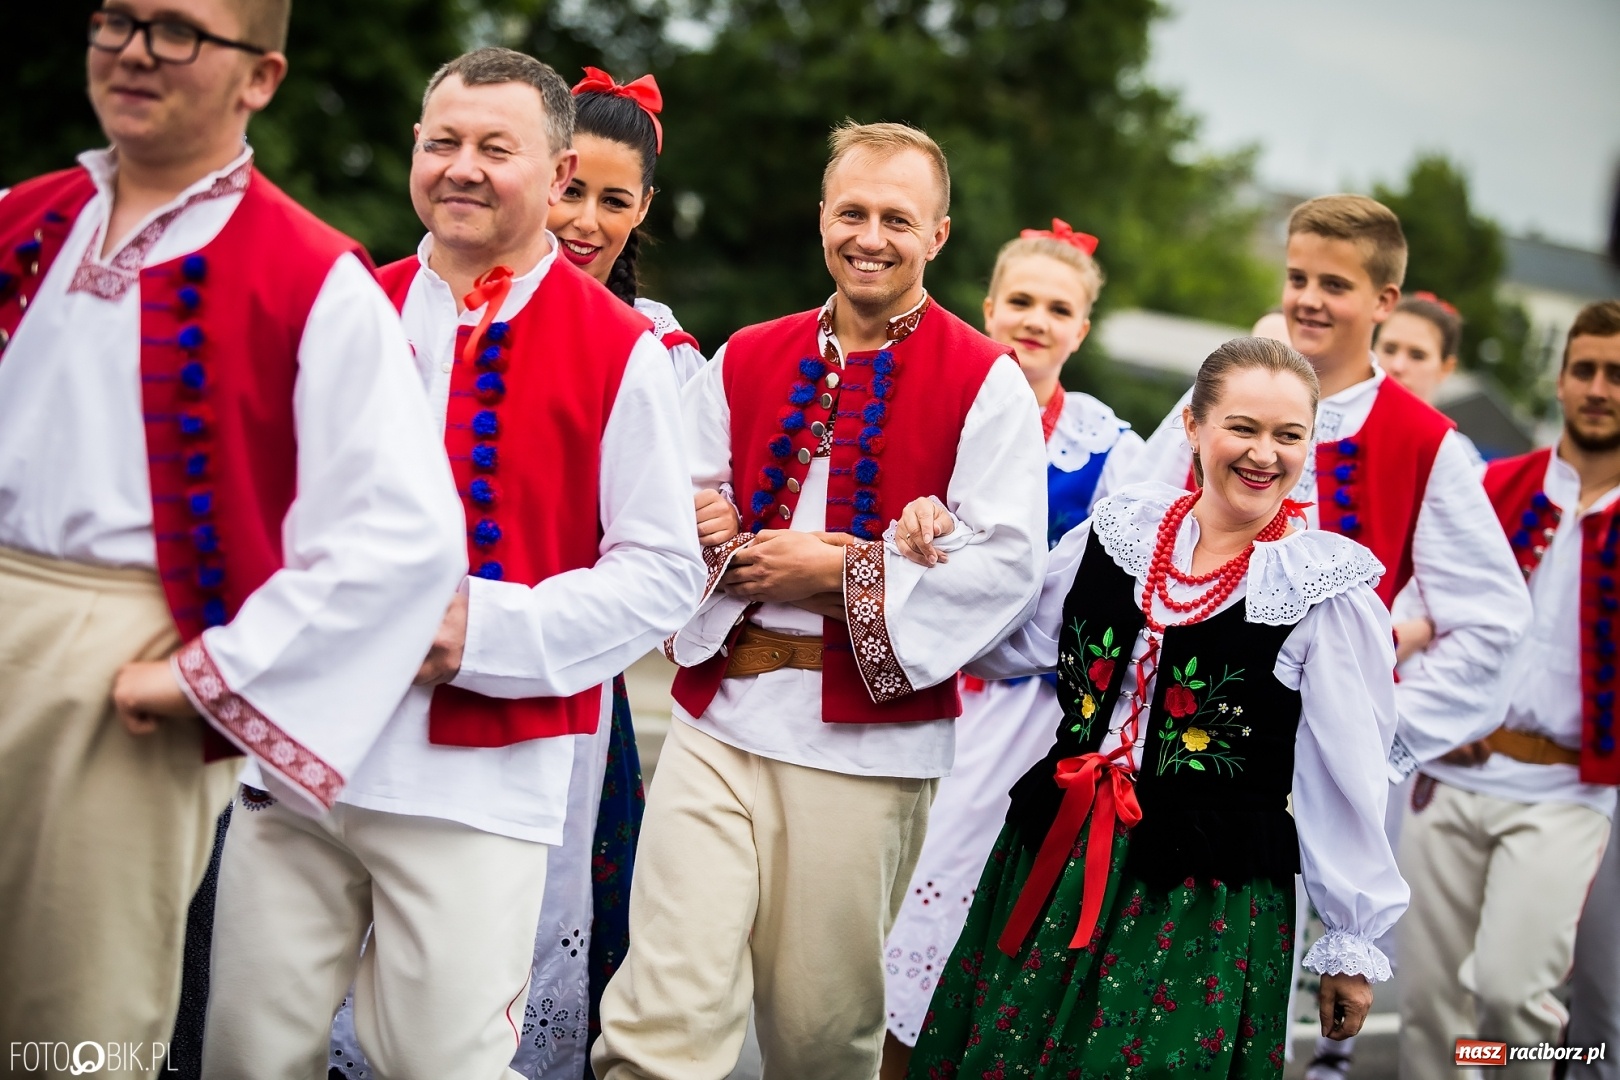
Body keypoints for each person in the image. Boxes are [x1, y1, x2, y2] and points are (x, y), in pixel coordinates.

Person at [208, 47, 704, 1080]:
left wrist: (473, 629)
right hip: (298, 763)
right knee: (249, 1051)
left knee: (439, 1060)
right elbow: (251, 504)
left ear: (559, 172)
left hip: (478, 776)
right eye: (443, 142)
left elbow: (660, 570)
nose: (462, 167)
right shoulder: (342, 309)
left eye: (496, 147)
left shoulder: (624, 352)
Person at [0, 0, 467, 1070]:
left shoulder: (313, 275)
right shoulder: (22, 219)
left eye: (176, 31)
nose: (131, 50)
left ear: (259, 78)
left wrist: (214, 671)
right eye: (115, 20)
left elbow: (406, 533)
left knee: (72, 1016)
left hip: (116, 653)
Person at [590, 121, 1049, 1080]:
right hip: (721, 722)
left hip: (866, 750)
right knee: (661, 1007)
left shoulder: (985, 382)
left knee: (818, 1030)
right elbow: (668, 499)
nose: (870, 236)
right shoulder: (749, 355)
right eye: (852, 212)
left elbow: (1005, 569)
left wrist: (836, 573)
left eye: (897, 218)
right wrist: (705, 523)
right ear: (822, 220)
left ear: (939, 235)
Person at [897, 336, 1406, 1077]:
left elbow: (1346, 779)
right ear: (1194, 428)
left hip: (1201, 898)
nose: (1265, 453)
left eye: (1289, 435)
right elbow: (1006, 642)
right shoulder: (1120, 531)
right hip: (1055, 857)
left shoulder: (1322, 591)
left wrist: (1352, 941)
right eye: (1243, 427)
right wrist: (942, 550)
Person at [1126, 194, 1528, 775]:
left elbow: (1493, 623)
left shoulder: (1419, 437)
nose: (1309, 300)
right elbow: (1127, 521)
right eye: (1298, 278)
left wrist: (1376, 728)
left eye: (1335, 285)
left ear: (1384, 300)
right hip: (1167, 723)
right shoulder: (1224, 394)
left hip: (1308, 759)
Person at [880, 219, 1141, 1076]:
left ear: (1082, 329)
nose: (1035, 319)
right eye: (1020, 300)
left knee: (974, 906)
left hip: (1031, 712)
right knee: (884, 906)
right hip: (918, 679)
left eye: (1057, 307)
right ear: (988, 308)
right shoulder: (937, 398)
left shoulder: (1110, 449)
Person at [1398, 301, 1620, 1080]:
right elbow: (1425, 597)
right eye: (1585, 369)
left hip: (1564, 790)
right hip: (1452, 772)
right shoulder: (1494, 484)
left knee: (1509, 995)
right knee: (1425, 1001)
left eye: (1616, 374)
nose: (1599, 387)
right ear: (1560, 382)